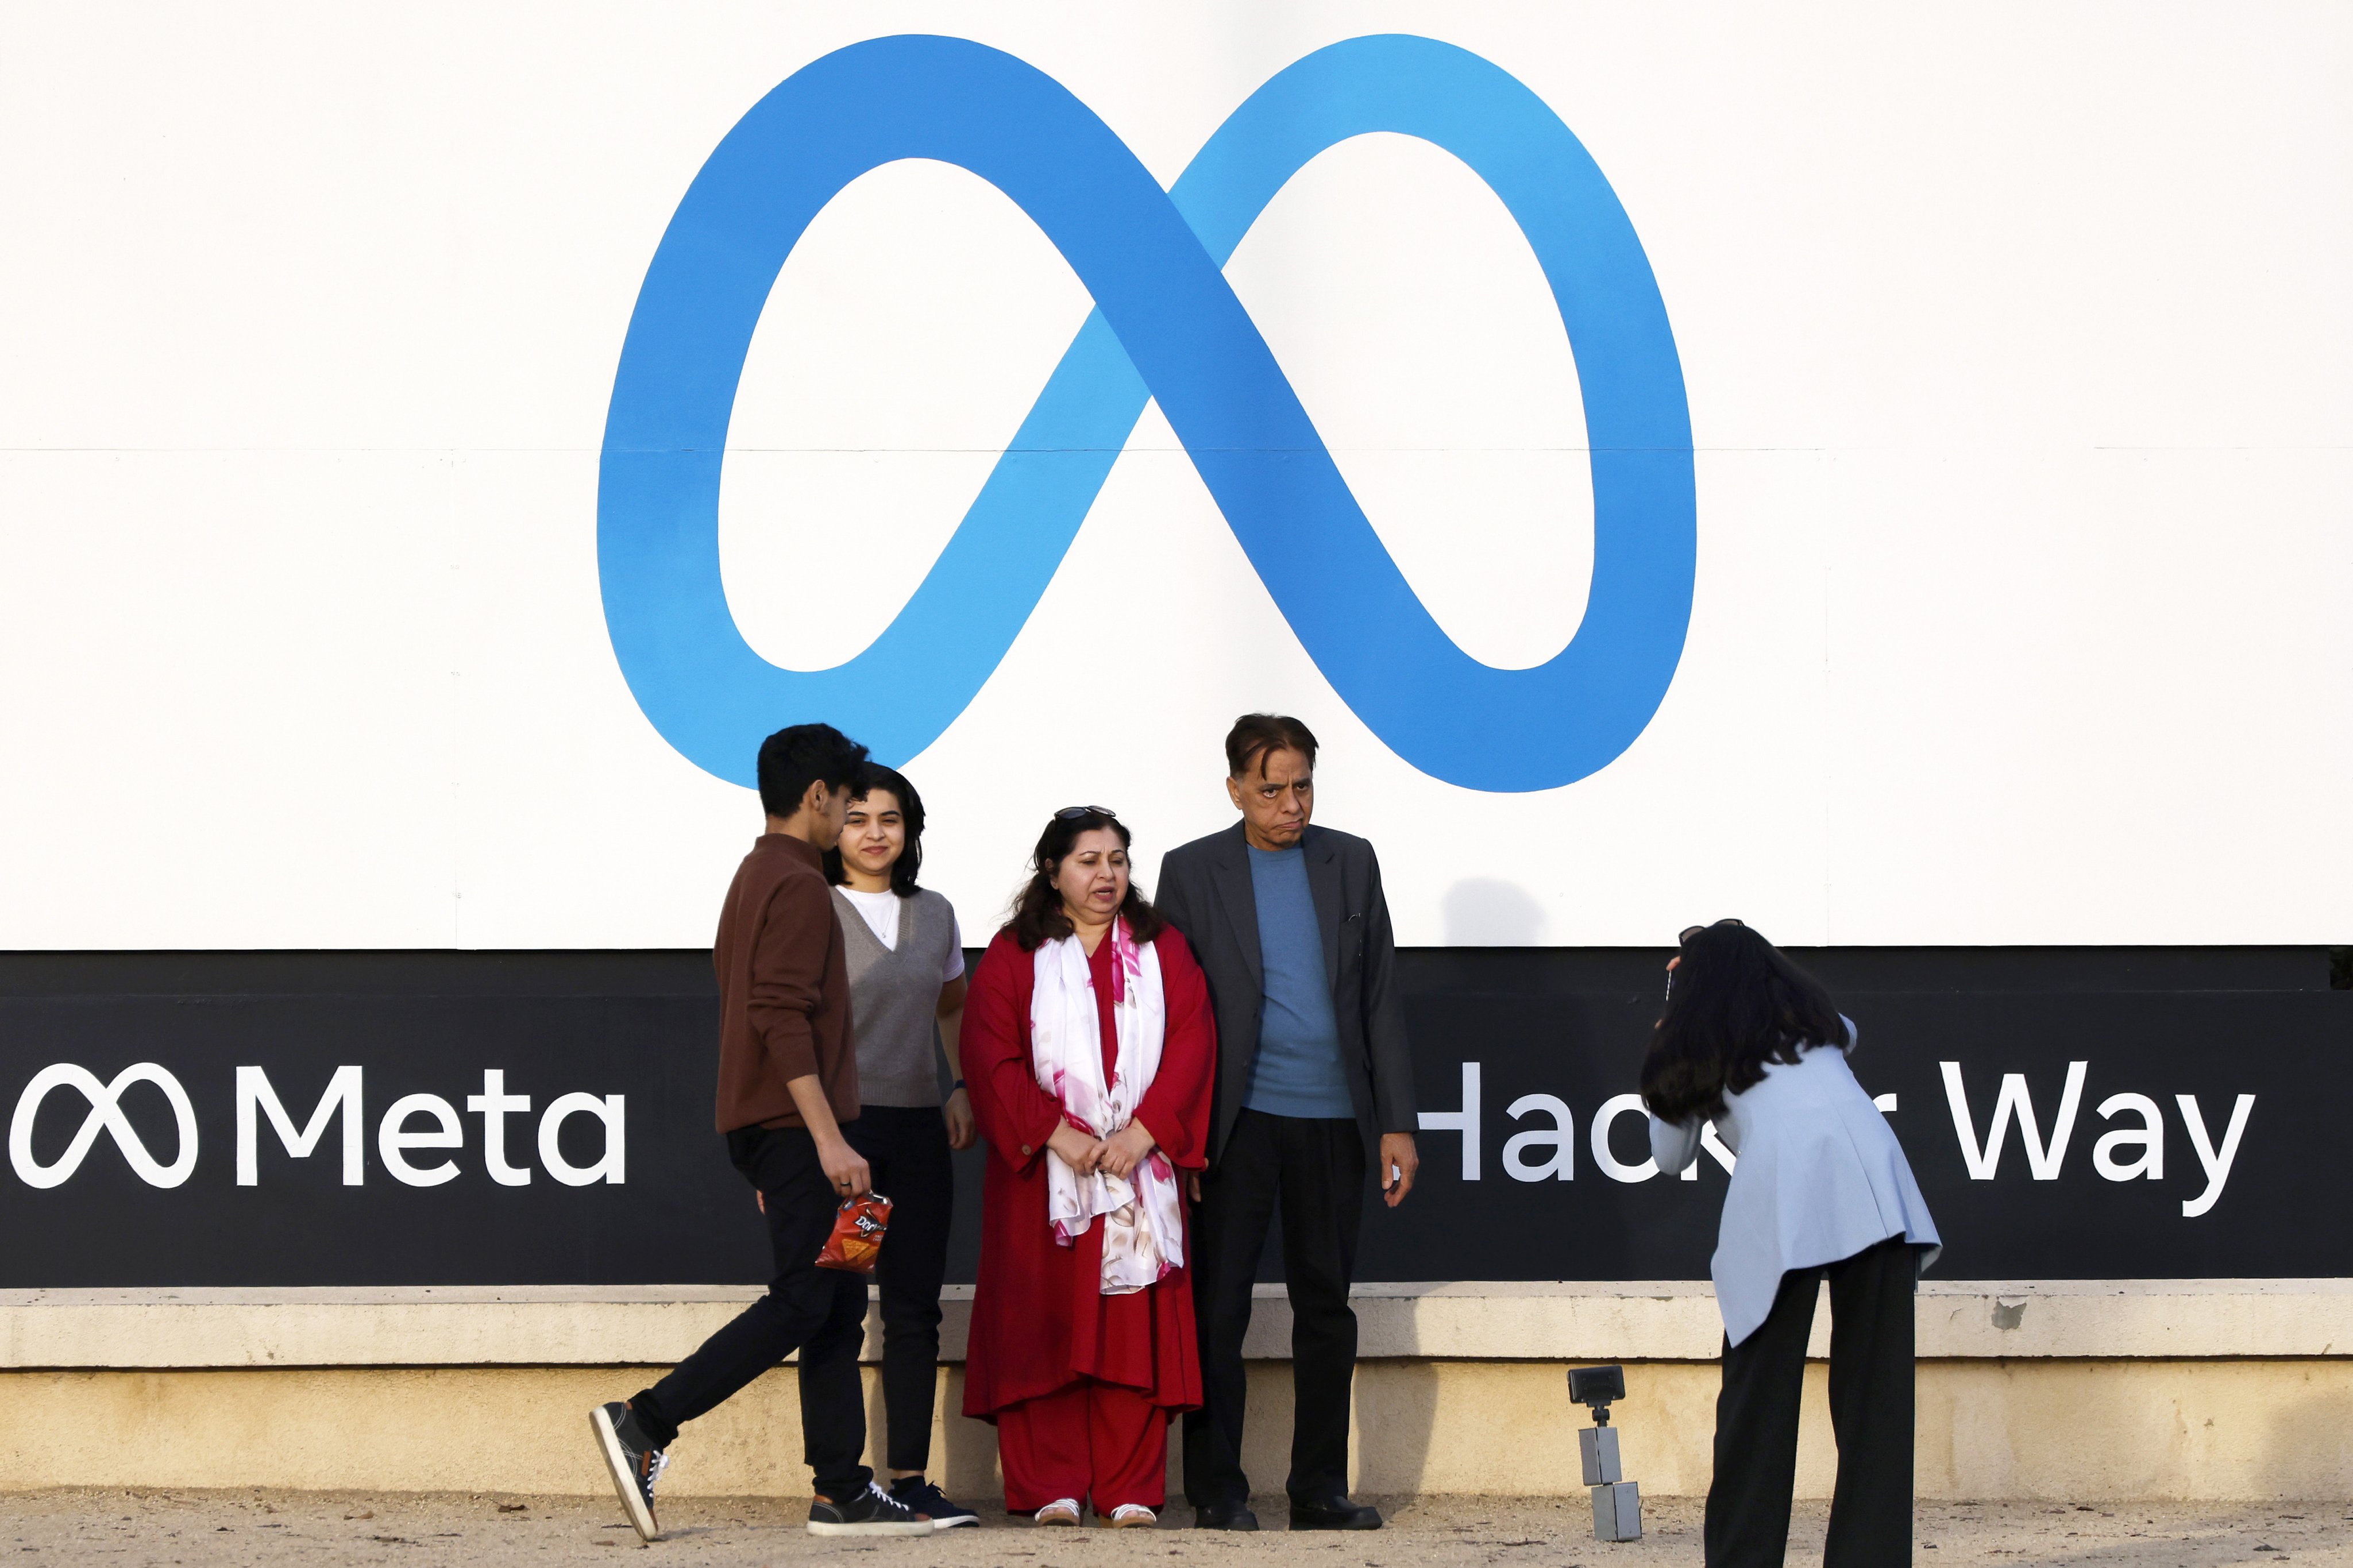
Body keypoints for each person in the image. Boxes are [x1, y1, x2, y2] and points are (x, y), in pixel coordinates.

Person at [589, 723, 931, 1541]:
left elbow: (743, 997)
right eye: (849, 802)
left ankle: (843, 1487)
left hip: (780, 1128)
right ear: (819, 797)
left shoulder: (754, 875)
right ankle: (647, 1419)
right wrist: (826, 1140)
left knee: (841, 1300)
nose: (853, 816)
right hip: (801, 1130)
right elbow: (779, 1016)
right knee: (807, 1297)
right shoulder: (803, 886)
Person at [1156, 714, 1419, 1532]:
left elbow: (1378, 996)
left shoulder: (1353, 860)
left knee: (1326, 1308)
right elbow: (1174, 1014)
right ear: (1234, 788)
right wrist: (1184, 1137)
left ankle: (1318, 1488)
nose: (1291, 802)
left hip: (1336, 1121)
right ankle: (1218, 1488)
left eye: (1302, 784)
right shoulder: (1191, 870)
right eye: (1272, 788)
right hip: (1236, 1127)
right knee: (1218, 1309)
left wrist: (1397, 1123)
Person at [1642, 918, 1941, 1568]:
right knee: (1876, 1407)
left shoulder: (1696, 1044)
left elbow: (1668, 1157)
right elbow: (1847, 1027)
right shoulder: (1814, 1026)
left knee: (1757, 1403)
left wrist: (1669, 1031)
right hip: (1877, 1189)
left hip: (1792, 1197)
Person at [959, 808, 1216, 1528]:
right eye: (1088, 861)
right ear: (1052, 871)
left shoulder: (1163, 947)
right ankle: (1052, 1484)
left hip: (1138, 1170)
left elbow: (1194, 1039)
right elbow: (987, 1053)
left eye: (1119, 860)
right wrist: (1052, 1133)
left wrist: (1147, 1131)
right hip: (1046, 1178)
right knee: (1043, 1323)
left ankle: (1131, 1483)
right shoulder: (1016, 952)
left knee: (1131, 1323)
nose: (1107, 875)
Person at [821, 762, 981, 1528]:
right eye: (857, 818)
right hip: (849, 1144)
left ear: (910, 829)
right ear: (833, 829)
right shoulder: (813, 911)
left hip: (918, 1136)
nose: (875, 831)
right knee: (842, 1304)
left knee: (914, 1307)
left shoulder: (936, 913)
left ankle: (911, 1480)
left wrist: (959, 1083)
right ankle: (839, 1484)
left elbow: (953, 1003)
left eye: (890, 817)